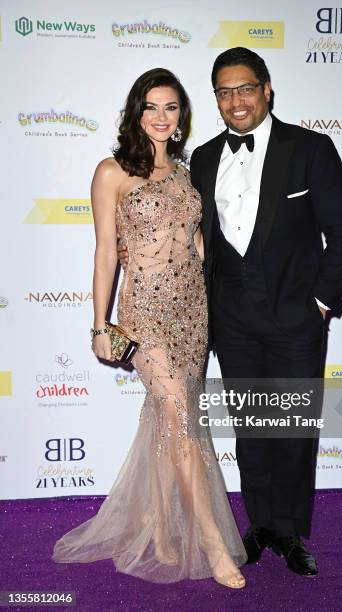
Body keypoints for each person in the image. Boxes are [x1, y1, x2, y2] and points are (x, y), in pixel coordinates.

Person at [119, 48, 342, 578]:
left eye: (246, 88)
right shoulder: (203, 159)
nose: (236, 101)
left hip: (295, 317)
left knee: (292, 427)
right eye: (225, 92)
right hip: (229, 319)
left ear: (267, 89)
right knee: (252, 427)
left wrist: (320, 305)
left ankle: (291, 531)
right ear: (214, 100)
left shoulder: (310, 149)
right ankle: (259, 525)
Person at [52, 68, 247, 589]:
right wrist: (100, 323)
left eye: (171, 108)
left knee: (170, 421)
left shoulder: (185, 173)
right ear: (136, 113)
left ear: (181, 117)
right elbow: (105, 252)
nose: (162, 117)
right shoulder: (111, 171)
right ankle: (209, 539)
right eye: (152, 107)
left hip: (192, 312)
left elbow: (199, 245)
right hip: (146, 317)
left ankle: (162, 526)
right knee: (181, 422)